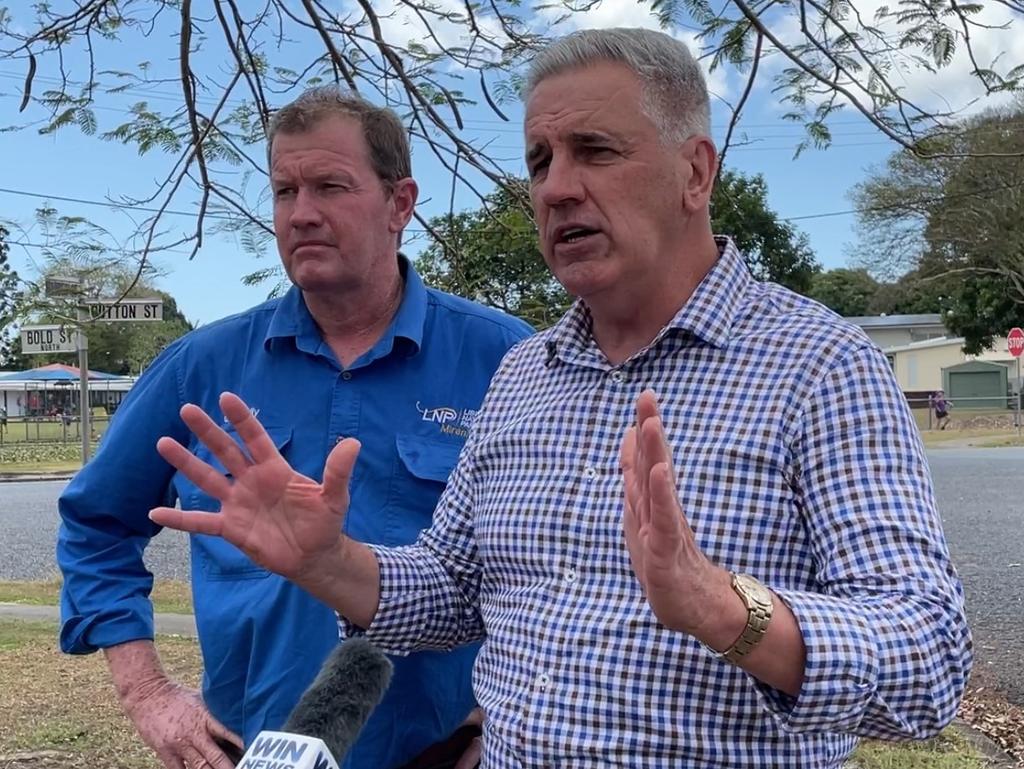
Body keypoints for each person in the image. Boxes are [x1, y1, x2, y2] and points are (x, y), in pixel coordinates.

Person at [151, 29, 973, 768]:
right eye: (541, 161)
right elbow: (453, 585)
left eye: (596, 151)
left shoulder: (821, 366)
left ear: (696, 170)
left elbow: (929, 660)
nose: (556, 188)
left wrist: (728, 609)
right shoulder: (522, 374)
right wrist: (329, 562)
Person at [56, 86, 533, 769]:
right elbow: (95, 522)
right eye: (285, 191)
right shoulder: (203, 365)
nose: (302, 214)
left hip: (441, 749)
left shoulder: (505, 359)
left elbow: (563, 562)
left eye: (331, 186)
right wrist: (148, 691)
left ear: (400, 203)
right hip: (246, 748)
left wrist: (502, 719)